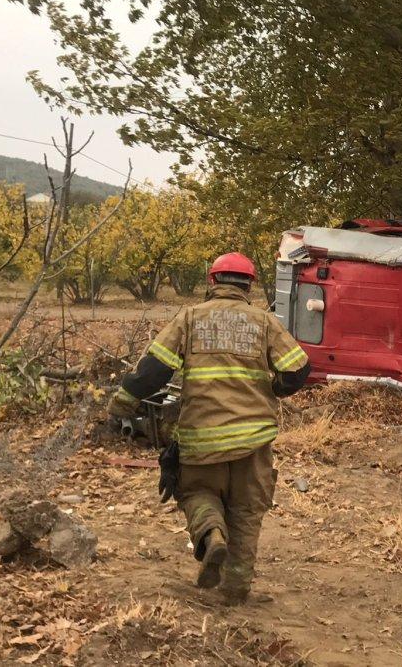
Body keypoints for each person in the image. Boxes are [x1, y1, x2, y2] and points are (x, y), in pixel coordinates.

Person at [107, 252, 311, 604]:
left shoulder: (190, 318)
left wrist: (122, 403)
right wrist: (273, 389)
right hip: (254, 440)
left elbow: (154, 370)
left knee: (196, 492)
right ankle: (235, 589)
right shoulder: (263, 322)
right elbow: (298, 371)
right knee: (247, 512)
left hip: (201, 438)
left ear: (212, 282)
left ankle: (212, 533)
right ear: (249, 286)